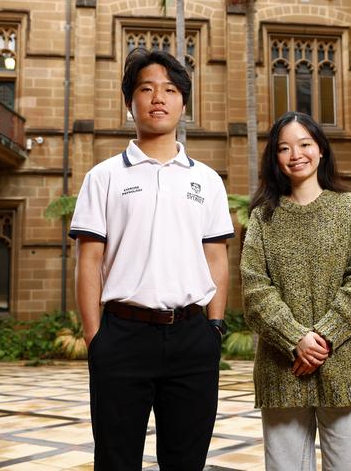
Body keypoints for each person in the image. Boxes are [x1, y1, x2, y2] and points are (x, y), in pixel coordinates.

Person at [69, 48, 234, 471]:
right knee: (116, 460)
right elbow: (89, 262)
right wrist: (96, 340)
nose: (158, 97)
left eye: (170, 89)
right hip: (122, 336)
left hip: (193, 337)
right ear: (130, 103)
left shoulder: (207, 180)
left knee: (186, 462)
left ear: (184, 103)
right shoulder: (104, 176)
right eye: (146, 89)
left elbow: (216, 256)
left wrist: (214, 328)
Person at [240, 111, 351, 471]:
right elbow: (255, 290)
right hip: (280, 370)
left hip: (345, 366)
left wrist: (322, 337)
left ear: (320, 149)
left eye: (304, 144)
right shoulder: (262, 217)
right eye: (284, 148)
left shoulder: (350, 207)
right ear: (275, 158)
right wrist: (295, 339)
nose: (295, 154)